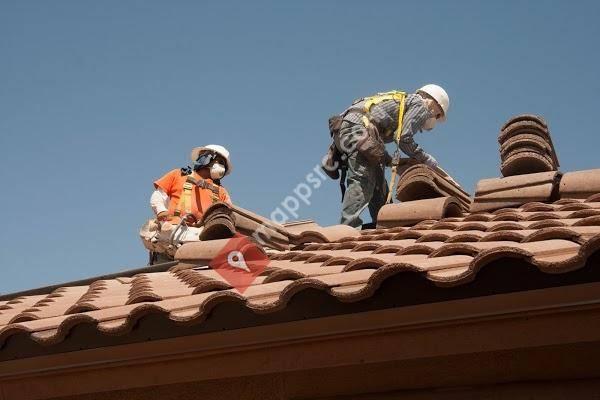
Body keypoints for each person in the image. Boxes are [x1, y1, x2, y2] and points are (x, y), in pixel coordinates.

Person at [333, 84, 451, 228]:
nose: (434, 117)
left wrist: (395, 162)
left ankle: (385, 223)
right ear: (435, 102)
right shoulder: (421, 105)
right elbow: (403, 137)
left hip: (351, 130)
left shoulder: (404, 102)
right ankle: (347, 229)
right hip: (358, 130)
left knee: (378, 183)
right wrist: (424, 158)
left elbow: (374, 144)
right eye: (438, 114)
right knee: (363, 180)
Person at [141, 144, 233, 263]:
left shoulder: (221, 191)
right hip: (173, 236)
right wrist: (162, 212)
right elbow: (158, 196)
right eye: (219, 161)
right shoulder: (179, 174)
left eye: (223, 164)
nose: (221, 166)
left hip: (201, 240)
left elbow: (229, 214)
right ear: (207, 158)